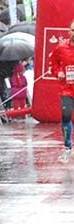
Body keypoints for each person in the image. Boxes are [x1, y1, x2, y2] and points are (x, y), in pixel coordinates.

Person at [47, 18, 74, 161]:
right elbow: (53, 63)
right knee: (66, 115)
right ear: (69, 32)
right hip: (67, 89)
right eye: (73, 30)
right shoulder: (61, 48)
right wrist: (58, 72)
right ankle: (68, 146)